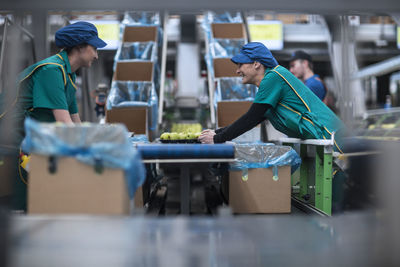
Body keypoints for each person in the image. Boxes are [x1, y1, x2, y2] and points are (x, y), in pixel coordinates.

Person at [0, 21, 107, 210]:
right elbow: (64, 123)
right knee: (26, 202)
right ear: (80, 47)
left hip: (28, 140)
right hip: (10, 141)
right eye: (94, 48)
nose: (97, 55)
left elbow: (75, 121)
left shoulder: (69, 75)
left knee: (41, 198)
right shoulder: (51, 70)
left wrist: (97, 140)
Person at [199, 42, 346, 154]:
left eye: (241, 64)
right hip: (324, 140)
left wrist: (217, 138)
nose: (238, 70)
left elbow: (252, 117)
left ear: (256, 64)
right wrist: (217, 133)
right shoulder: (272, 80)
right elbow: (255, 118)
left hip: (332, 137)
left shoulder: (274, 77)